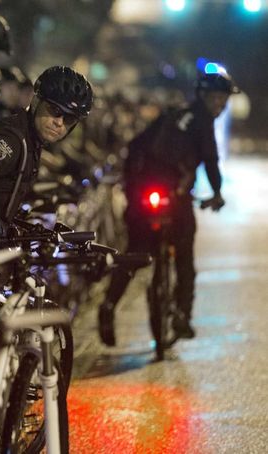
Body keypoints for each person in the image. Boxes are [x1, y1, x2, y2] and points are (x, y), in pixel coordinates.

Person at [98, 72, 237, 345]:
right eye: (216, 99)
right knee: (184, 257)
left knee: (135, 254)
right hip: (174, 194)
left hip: (144, 192)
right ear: (203, 97)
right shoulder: (202, 120)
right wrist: (217, 193)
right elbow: (210, 160)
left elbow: (136, 145)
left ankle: (109, 305)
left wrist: (131, 188)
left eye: (223, 100)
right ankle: (182, 315)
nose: (219, 105)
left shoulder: (172, 115)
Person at [0, 66, 93, 236]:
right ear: (36, 101)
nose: (59, 122)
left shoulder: (31, 141)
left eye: (69, 118)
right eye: (55, 111)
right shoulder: (10, 141)